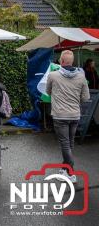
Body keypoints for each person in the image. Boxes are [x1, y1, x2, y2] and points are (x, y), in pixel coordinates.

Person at [46, 50, 90, 183]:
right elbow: (86, 97)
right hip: (75, 115)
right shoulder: (81, 77)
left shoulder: (53, 75)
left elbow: (48, 92)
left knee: (65, 144)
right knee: (70, 143)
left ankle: (71, 173)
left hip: (60, 115)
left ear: (61, 61)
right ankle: (65, 169)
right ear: (72, 62)